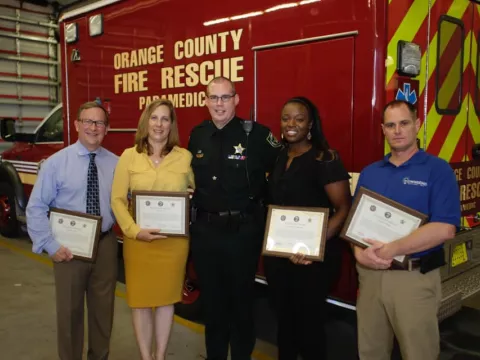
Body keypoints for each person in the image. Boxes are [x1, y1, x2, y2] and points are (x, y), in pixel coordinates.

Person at [353, 99, 460, 360]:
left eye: (404, 123)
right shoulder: (370, 173)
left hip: (413, 278)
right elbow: (355, 224)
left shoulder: (438, 170)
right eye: (390, 125)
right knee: (371, 351)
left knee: (419, 353)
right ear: (383, 129)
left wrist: (393, 249)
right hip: (371, 277)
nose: (397, 130)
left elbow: (445, 228)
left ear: (417, 125)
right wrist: (358, 253)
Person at [188, 76, 281, 360]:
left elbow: (284, 170)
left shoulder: (256, 135)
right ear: (205, 100)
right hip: (205, 234)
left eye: (225, 97)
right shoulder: (197, 135)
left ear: (236, 99)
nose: (219, 104)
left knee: (242, 305)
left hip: (243, 234)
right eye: (213, 97)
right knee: (213, 306)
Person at [26, 101, 119, 360]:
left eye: (99, 122)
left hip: (105, 244)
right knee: (69, 313)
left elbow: (128, 200)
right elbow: (36, 207)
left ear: (107, 129)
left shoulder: (117, 164)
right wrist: (49, 245)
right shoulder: (56, 164)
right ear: (77, 125)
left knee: (104, 312)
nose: (93, 127)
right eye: (87, 121)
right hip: (67, 247)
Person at [263, 97, 352, 360]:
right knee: (284, 324)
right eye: (286, 118)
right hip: (279, 258)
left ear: (310, 124)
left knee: (311, 327)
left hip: (312, 262)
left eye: (299, 119)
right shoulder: (279, 156)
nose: (291, 124)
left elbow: (343, 208)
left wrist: (312, 244)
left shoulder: (325, 158)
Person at [111, 99, 194, 360]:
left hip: (173, 243)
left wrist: (190, 196)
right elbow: (117, 200)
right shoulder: (128, 156)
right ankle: (146, 357)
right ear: (146, 121)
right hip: (140, 242)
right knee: (141, 302)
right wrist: (134, 231)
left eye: (165, 118)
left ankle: (160, 356)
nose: (159, 124)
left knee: (167, 301)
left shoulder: (184, 157)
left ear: (172, 125)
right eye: (154, 117)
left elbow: (192, 189)